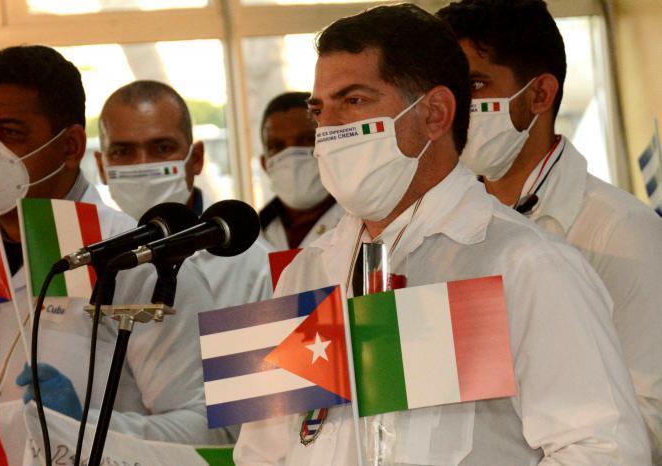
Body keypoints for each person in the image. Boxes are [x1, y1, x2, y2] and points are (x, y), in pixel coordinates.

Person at [234, 4, 651, 464]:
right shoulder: (303, 272)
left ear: (434, 113)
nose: (328, 129)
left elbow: (604, 451)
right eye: (320, 110)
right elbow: (260, 452)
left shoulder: (524, 265)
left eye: (353, 101)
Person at [0, 45, 230, 445]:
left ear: (70, 147)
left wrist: (86, 428)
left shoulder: (142, 262)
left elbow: (215, 432)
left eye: (8, 132)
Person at [437, 1, 662, 460]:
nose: (458, 109)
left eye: (476, 84)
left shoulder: (619, 230)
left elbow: (649, 418)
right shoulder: (444, 225)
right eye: (449, 90)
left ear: (540, 95)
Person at [95, 80, 271, 309]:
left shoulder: (254, 266)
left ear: (196, 158)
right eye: (123, 152)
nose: (143, 164)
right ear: (101, 167)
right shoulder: (90, 254)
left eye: (162, 148)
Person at [258, 92, 344, 250]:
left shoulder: (364, 222)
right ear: (265, 164)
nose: (292, 154)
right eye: (277, 146)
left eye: (305, 140)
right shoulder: (257, 231)